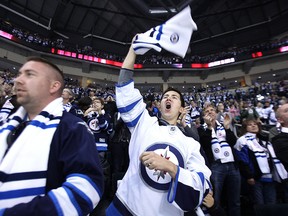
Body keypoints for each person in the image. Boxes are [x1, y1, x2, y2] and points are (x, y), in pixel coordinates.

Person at [106, 39, 211, 216]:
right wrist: (132, 50)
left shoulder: (191, 143)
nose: (168, 98)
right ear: (160, 105)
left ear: (182, 109)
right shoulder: (144, 122)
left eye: (174, 97)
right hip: (124, 208)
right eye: (165, 97)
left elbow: (201, 185)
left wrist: (171, 168)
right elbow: (124, 87)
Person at [0, 57, 104, 215]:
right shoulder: (9, 125)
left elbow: (87, 187)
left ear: (53, 86)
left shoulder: (72, 128)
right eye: (20, 73)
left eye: (29, 74)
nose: (18, 79)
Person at [197, 104, 241, 216]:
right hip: (216, 166)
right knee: (216, 199)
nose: (210, 112)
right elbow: (205, 144)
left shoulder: (223, 126)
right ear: (204, 116)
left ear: (216, 113)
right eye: (207, 111)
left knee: (235, 200)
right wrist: (208, 127)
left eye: (212, 110)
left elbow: (232, 142)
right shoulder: (201, 129)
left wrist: (227, 127)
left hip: (232, 165)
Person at [234, 118, 287, 205]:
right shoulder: (242, 141)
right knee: (259, 204)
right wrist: (249, 176)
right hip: (255, 178)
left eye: (255, 124)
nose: (253, 126)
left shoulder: (265, 140)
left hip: (270, 177)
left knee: (272, 203)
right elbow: (242, 160)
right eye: (250, 125)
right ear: (245, 128)